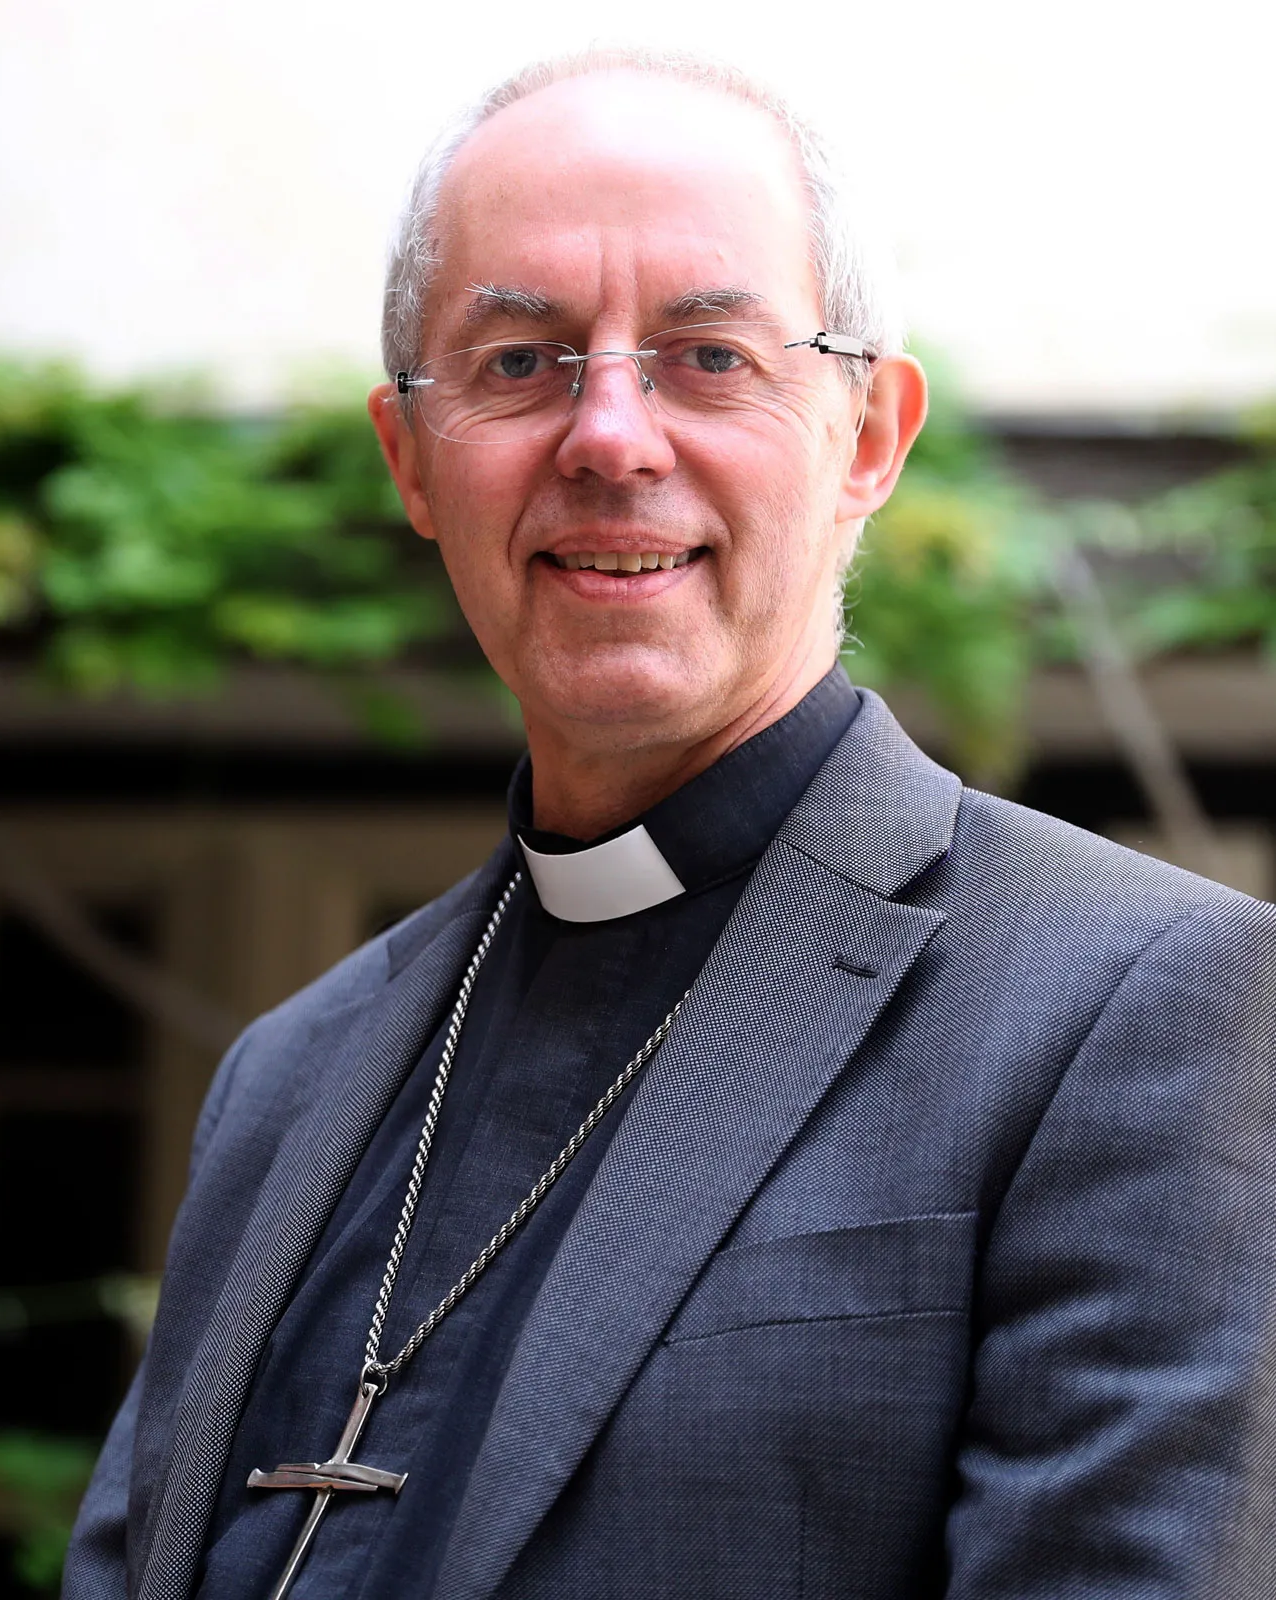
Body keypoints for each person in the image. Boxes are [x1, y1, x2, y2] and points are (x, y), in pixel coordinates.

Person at [66, 47, 1276, 1600]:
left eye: (709, 356)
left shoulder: (1131, 1007)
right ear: (410, 460)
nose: (610, 436)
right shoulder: (286, 1075)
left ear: (865, 436)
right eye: (519, 361)